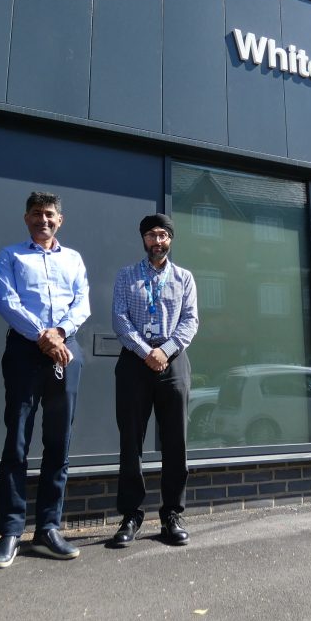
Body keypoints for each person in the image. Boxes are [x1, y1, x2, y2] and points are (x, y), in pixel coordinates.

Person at [0, 191, 90, 568]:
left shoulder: (74, 259)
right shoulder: (10, 255)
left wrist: (59, 332)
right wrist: (42, 336)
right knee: (16, 441)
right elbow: (7, 302)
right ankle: (11, 531)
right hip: (24, 352)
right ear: (26, 218)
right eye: (35, 214)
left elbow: (83, 302)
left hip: (66, 349)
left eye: (49, 214)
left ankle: (48, 527)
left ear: (59, 220)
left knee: (58, 443)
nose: (43, 220)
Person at [110, 213, 198, 547]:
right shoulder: (126, 276)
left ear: (170, 239)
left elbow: (190, 320)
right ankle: (130, 515)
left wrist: (166, 351)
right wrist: (146, 351)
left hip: (173, 362)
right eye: (150, 235)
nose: (157, 241)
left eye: (162, 235)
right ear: (143, 239)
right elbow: (119, 318)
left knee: (176, 442)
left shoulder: (184, 277)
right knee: (131, 441)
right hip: (134, 362)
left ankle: (172, 514)